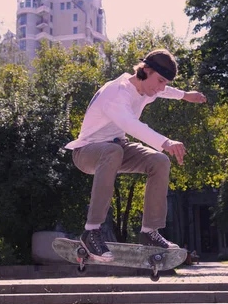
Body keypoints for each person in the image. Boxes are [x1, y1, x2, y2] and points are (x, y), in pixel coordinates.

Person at [65, 48, 207, 262]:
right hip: (87, 152)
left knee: (159, 160)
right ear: (145, 70)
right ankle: (91, 231)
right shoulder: (116, 92)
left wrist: (185, 96)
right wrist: (166, 142)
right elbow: (131, 125)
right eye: (159, 81)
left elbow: (166, 91)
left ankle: (149, 232)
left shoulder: (147, 88)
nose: (160, 88)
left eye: (164, 83)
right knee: (113, 150)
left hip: (118, 148)